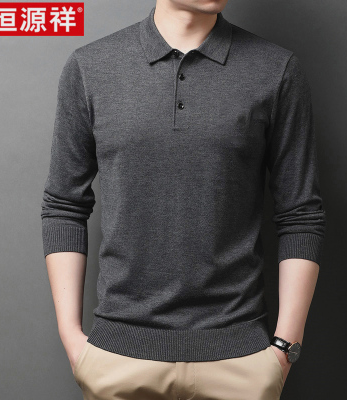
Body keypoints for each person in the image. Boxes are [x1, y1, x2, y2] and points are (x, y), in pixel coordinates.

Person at [41, 0, 326, 399]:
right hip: (119, 357)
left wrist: (284, 347)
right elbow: (64, 206)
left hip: (240, 359)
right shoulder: (91, 66)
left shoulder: (276, 69)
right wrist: (72, 337)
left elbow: (300, 214)